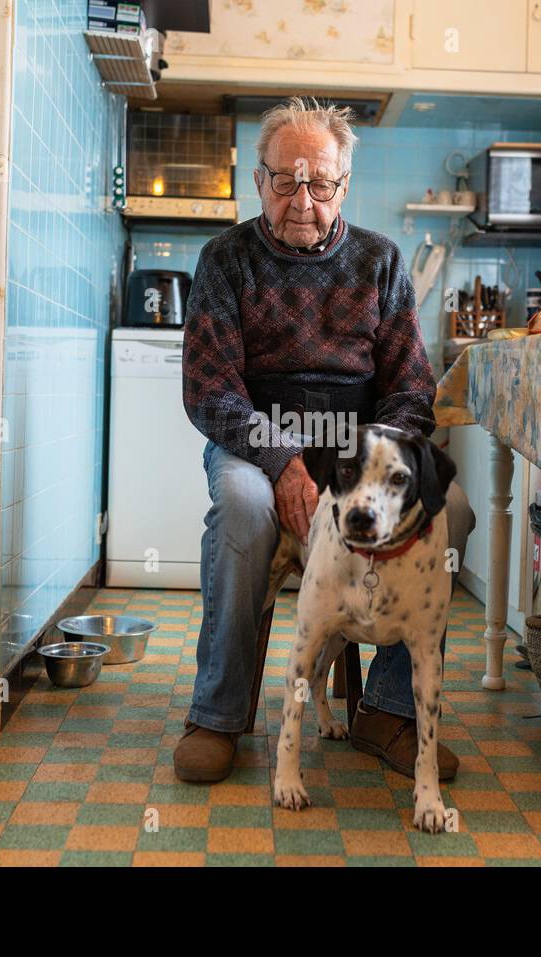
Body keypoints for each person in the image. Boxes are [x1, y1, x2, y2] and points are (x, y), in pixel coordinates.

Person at [177, 96, 476, 783]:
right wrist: (282, 461)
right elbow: (210, 389)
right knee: (243, 509)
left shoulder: (381, 260)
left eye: (320, 182)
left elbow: (411, 388)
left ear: (343, 187)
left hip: (357, 458)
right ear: (259, 182)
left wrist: (369, 472)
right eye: (286, 179)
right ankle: (218, 713)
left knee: (451, 511)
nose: (302, 198)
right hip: (258, 447)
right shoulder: (225, 260)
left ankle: (389, 710)